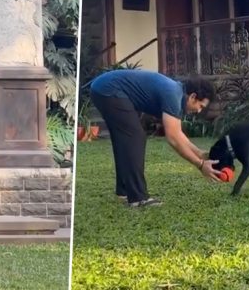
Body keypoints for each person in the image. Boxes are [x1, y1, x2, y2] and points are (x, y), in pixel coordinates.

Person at [89, 69, 222, 208]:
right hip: (108, 90)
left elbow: (178, 133)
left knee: (124, 140)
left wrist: (199, 153)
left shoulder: (176, 93)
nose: (199, 111)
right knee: (135, 137)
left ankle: (124, 191)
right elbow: (173, 138)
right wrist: (200, 164)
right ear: (193, 97)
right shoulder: (173, 94)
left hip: (102, 89)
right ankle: (138, 199)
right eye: (200, 106)